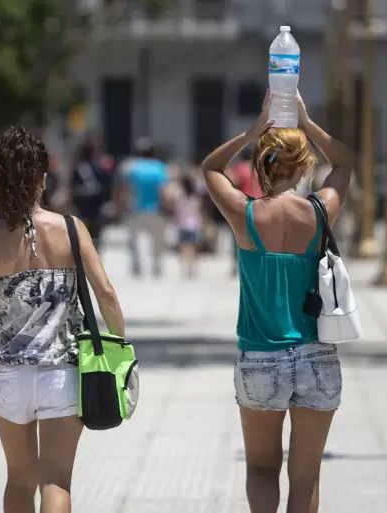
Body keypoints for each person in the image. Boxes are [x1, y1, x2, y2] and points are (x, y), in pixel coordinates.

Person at [0, 128, 124, 513]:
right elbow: (105, 292)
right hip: (62, 374)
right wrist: (120, 348)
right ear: (43, 177)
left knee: (19, 480)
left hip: (9, 378)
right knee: (56, 481)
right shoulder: (71, 230)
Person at [201, 90, 353, 513]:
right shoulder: (320, 211)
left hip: (260, 358)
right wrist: (305, 122)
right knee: (305, 477)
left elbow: (210, 167)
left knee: (262, 469)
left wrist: (251, 132)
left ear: (260, 165)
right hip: (315, 356)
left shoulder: (244, 213)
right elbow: (343, 163)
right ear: (305, 166)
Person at [119, 139, 170, 278]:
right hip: (155, 209)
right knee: (158, 240)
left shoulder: (132, 167)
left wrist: (121, 205)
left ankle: (136, 266)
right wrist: (168, 206)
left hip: (135, 208)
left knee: (134, 240)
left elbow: (126, 189)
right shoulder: (160, 167)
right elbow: (163, 190)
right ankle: (156, 266)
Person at [71, 136, 115, 249]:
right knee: (91, 225)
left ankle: (89, 245)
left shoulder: (80, 165)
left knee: (89, 224)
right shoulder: (93, 166)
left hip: (89, 201)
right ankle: (91, 246)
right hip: (91, 201)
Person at [174, 174, 203, 278]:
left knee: (183, 249)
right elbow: (199, 211)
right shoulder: (196, 197)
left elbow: (177, 211)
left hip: (182, 224)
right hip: (194, 224)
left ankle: (185, 269)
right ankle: (193, 269)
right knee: (194, 248)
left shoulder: (180, 197)